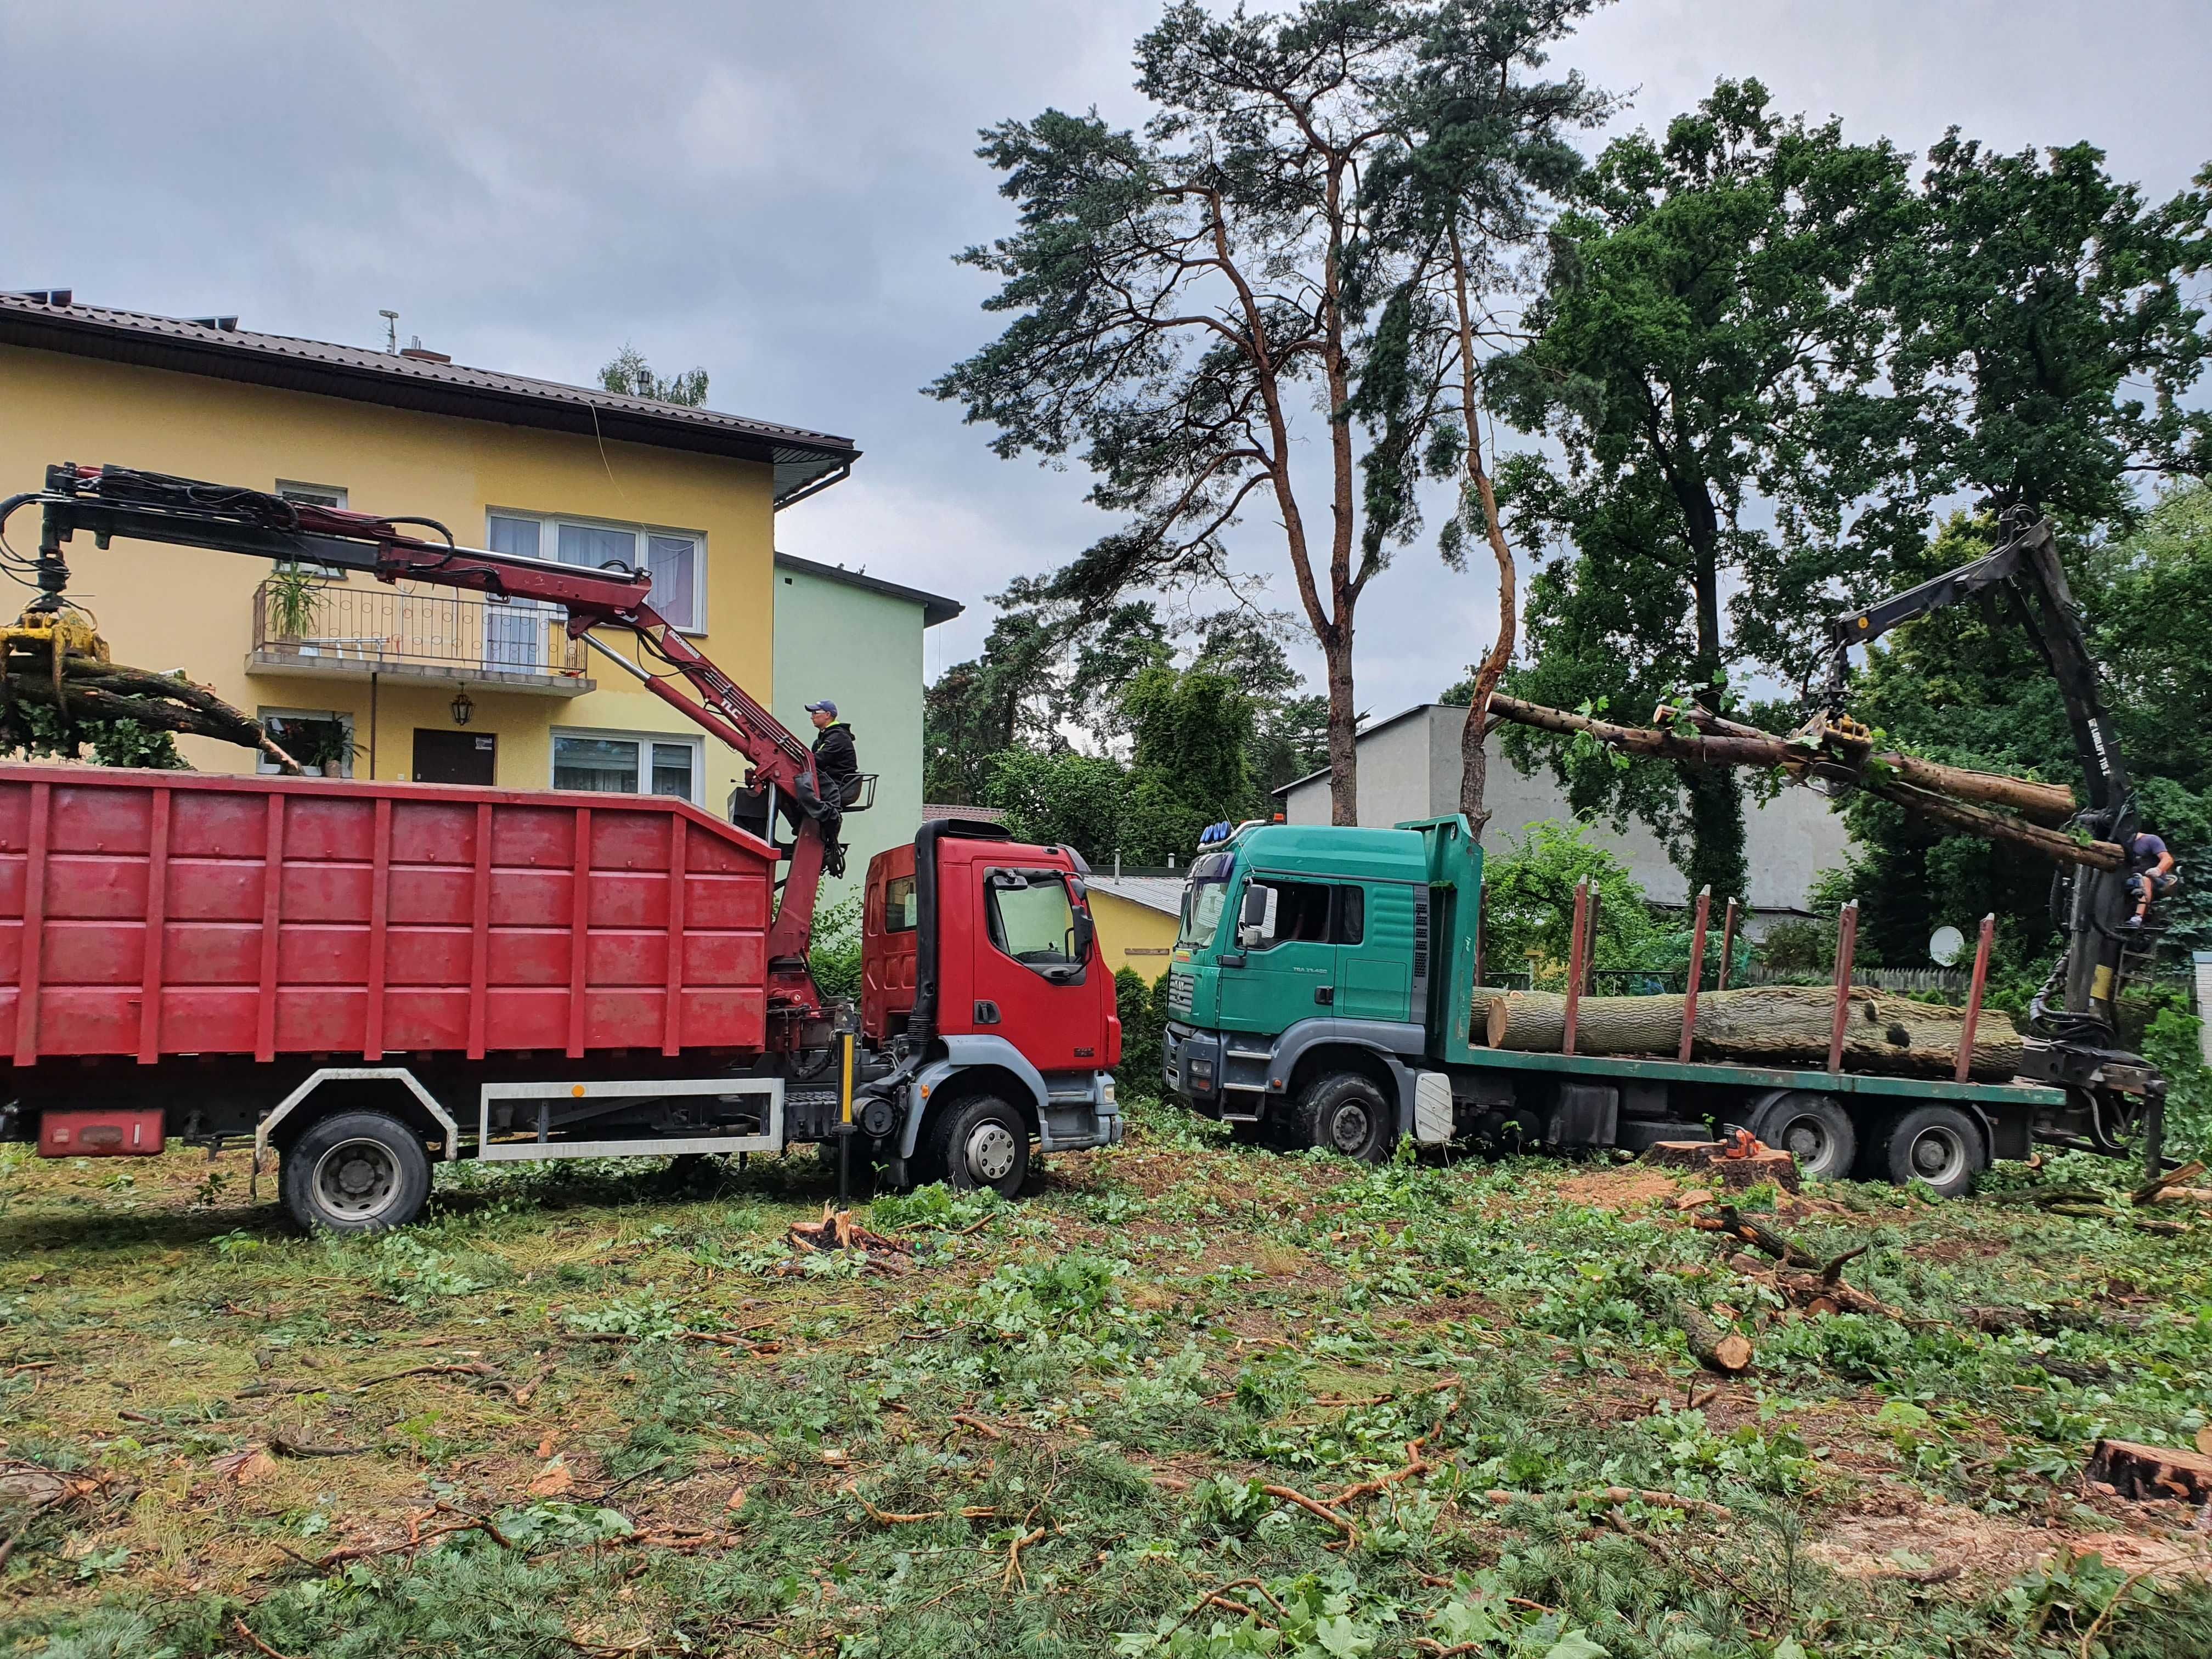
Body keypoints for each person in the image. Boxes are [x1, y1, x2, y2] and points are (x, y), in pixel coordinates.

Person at [2122, 827, 2178, 929]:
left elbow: (2168, 859)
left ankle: (2137, 918)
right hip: (2128, 879)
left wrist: (2158, 870)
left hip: (2154, 880)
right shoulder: (2121, 843)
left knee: (2144, 880)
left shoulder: (2150, 840)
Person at [805, 700, 859, 805]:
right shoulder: (825, 738)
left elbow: (818, 761)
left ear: (827, 715)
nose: (812, 717)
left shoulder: (838, 737)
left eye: (815, 713)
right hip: (831, 782)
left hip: (838, 785)